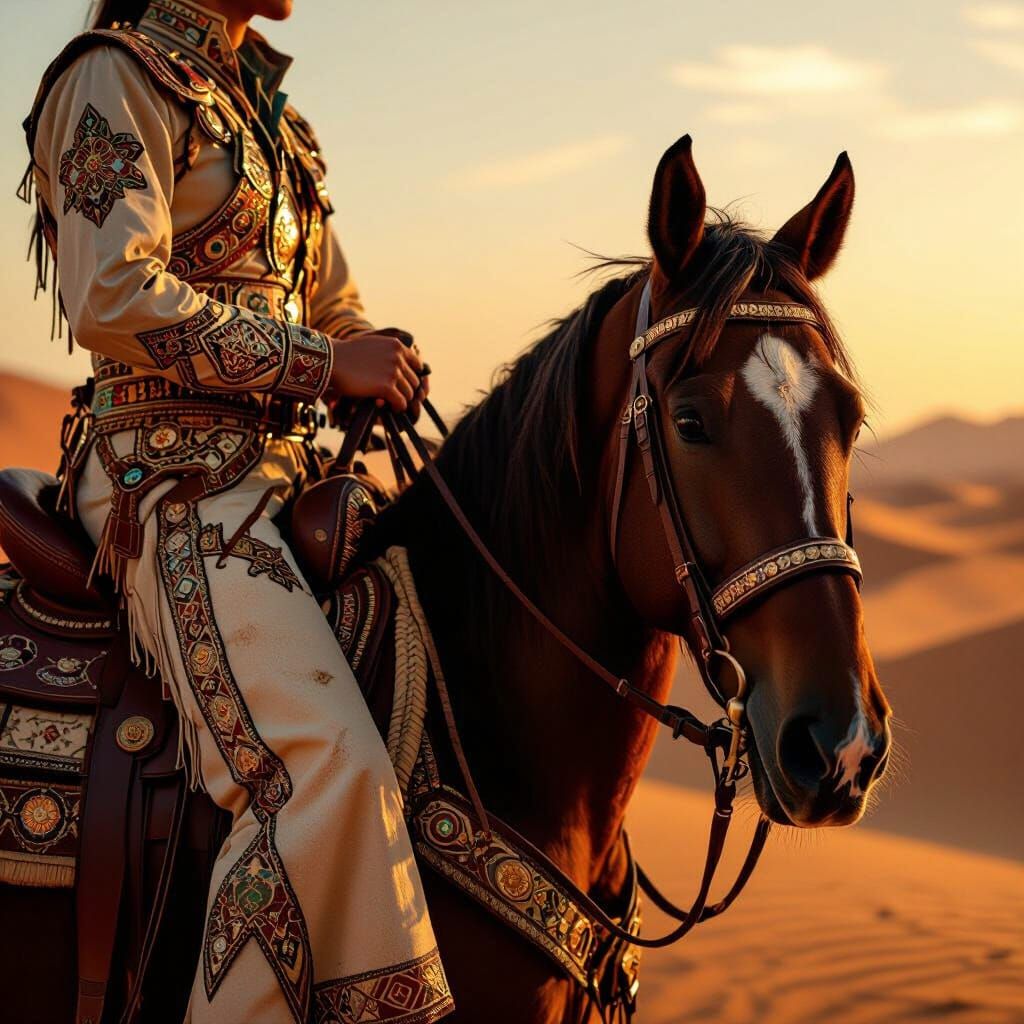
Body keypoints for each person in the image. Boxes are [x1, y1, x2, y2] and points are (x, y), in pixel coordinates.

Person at [22, 1, 454, 1021]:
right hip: (170, 482)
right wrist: (319, 364)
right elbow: (113, 294)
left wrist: (367, 349)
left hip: (289, 478)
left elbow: (328, 301)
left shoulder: (266, 111)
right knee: (321, 766)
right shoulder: (114, 75)